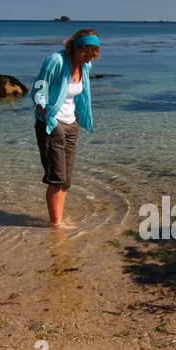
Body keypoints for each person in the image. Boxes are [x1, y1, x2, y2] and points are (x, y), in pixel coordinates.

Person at [32, 29, 99, 228]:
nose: (88, 60)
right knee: (56, 178)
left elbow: (80, 94)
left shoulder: (84, 65)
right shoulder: (56, 61)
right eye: (86, 55)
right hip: (53, 124)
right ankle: (56, 225)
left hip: (71, 124)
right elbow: (39, 90)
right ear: (74, 48)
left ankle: (58, 221)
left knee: (66, 180)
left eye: (92, 56)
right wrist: (46, 116)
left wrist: (77, 119)